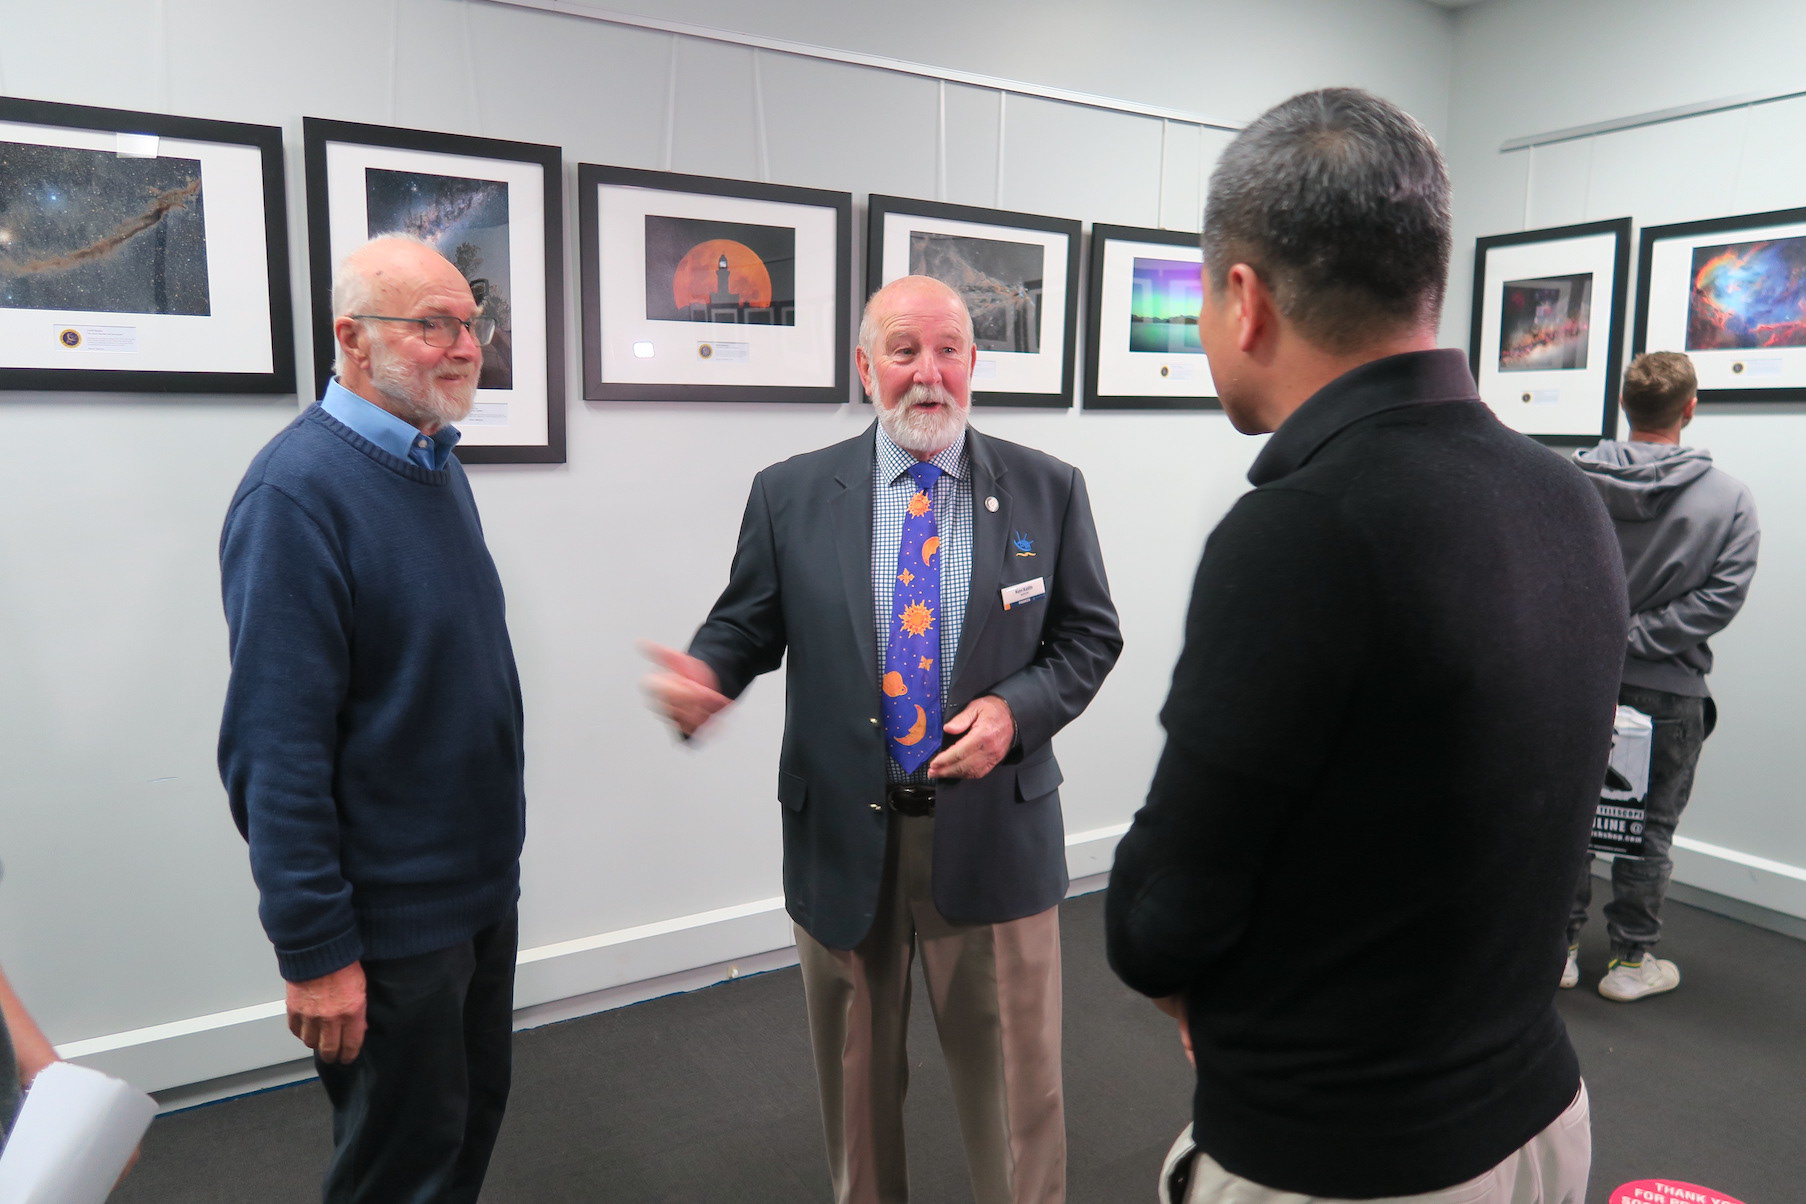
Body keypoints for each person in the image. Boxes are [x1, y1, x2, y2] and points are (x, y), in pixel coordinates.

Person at [1104, 89, 1628, 1202]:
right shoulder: (1562, 493)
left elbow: (1162, 915)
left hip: (1349, 1156)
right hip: (1538, 1113)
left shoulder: (1303, 528)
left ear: (1243, 299)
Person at [645, 275, 1121, 1204]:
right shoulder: (789, 495)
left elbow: (1087, 636)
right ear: (865, 368)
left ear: (976, 364)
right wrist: (708, 674)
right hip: (844, 839)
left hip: (993, 834)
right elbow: (747, 624)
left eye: (949, 351)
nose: (928, 374)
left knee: (1018, 1103)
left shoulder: (1046, 489)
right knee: (857, 1098)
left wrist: (1015, 713)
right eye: (904, 351)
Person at [218, 235, 525, 1203]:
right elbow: (276, 748)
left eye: (469, 322)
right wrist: (314, 950)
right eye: (431, 325)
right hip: (390, 923)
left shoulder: (433, 462)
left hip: (474, 895)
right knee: (399, 1170)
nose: (464, 345)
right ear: (352, 339)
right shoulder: (295, 493)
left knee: (464, 1130)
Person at [1564, 351, 1759, 1001]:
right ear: (1690, 407)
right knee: (1651, 830)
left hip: (1582, 680)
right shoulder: (1729, 497)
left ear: (1624, 406)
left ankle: (1557, 952)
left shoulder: (1570, 482)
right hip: (1669, 688)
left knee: (1568, 817)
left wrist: (1607, 640)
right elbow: (1720, 598)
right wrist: (1640, 639)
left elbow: (1549, 574)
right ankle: (1629, 964)